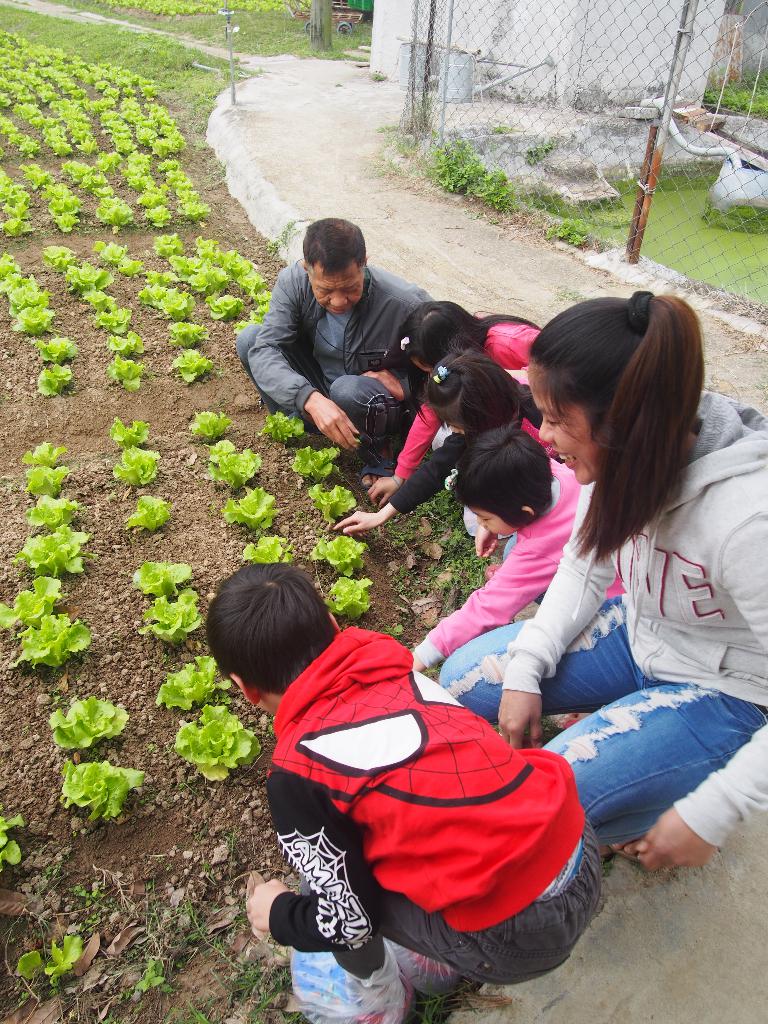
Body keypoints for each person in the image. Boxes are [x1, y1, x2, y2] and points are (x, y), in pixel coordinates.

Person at [439, 291, 768, 871]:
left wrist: (713, 811)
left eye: (558, 420)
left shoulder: (747, 520)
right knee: (467, 678)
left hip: (731, 691)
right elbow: (583, 565)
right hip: (645, 634)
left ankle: (663, 792)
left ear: (622, 427)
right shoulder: (626, 457)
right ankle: (634, 741)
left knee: (547, 803)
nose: (543, 434)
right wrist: (527, 665)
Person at [205, 564, 601, 1017]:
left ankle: (377, 1004)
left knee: (323, 878)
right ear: (334, 628)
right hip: (577, 844)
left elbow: (350, 922)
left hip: (524, 933)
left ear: (244, 688)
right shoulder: (396, 669)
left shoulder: (298, 772)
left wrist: (277, 914)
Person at [236, 218, 430, 481]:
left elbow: (454, 363)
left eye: (351, 288)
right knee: (251, 340)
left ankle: (377, 450)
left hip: (366, 397)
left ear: (364, 263)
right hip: (320, 384)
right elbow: (265, 349)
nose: (339, 301)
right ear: (307, 269)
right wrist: (309, 398)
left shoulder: (404, 302)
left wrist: (407, 385)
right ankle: (300, 423)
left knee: (347, 389)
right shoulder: (293, 282)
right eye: (325, 290)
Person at [412, 425, 580, 674]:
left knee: (459, 672)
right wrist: (490, 524)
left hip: (606, 609)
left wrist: (422, 654)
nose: (481, 524)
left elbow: (487, 607)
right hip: (604, 566)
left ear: (524, 513)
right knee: (513, 548)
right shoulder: (555, 472)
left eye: (485, 518)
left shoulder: (539, 549)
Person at [336, 350, 543, 536]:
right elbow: (436, 469)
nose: (453, 430)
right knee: (476, 522)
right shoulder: (478, 425)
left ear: (481, 418)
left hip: (544, 478)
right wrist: (382, 514)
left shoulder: (538, 413)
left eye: (454, 425)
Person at [367, 300, 539, 508]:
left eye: (431, 368)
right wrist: (400, 475)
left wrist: (509, 379)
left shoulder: (509, 343)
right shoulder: (453, 371)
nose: (434, 375)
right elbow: (430, 413)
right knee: (445, 443)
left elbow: (566, 374)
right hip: (499, 423)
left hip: (538, 420)